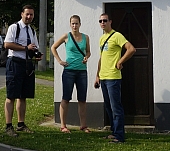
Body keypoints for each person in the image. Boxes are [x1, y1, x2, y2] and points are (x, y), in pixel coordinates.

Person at [94, 13, 136, 143]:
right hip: (104, 77)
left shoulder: (117, 36)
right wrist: (97, 75)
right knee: (108, 107)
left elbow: (131, 49)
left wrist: (120, 61)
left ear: (110, 22)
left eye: (105, 20)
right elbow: (102, 58)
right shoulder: (102, 38)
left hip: (113, 77)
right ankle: (114, 131)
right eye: (100, 21)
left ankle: (119, 135)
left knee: (115, 107)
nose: (102, 23)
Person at [3, 4, 41, 137]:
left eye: (31, 14)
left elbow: (33, 47)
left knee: (23, 96)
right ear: (22, 14)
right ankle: (8, 126)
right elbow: (7, 44)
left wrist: (37, 54)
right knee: (11, 96)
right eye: (27, 14)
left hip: (27, 64)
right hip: (15, 63)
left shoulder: (32, 30)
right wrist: (25, 48)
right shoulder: (15, 27)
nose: (29, 16)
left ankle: (21, 124)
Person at [51, 15, 91, 133]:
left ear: (80, 24)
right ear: (70, 24)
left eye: (76, 23)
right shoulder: (66, 36)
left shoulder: (86, 37)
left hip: (82, 71)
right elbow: (53, 47)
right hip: (69, 71)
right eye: (73, 23)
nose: (75, 26)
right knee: (66, 98)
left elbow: (88, 52)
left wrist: (86, 57)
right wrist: (59, 61)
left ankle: (83, 125)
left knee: (82, 99)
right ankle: (63, 126)